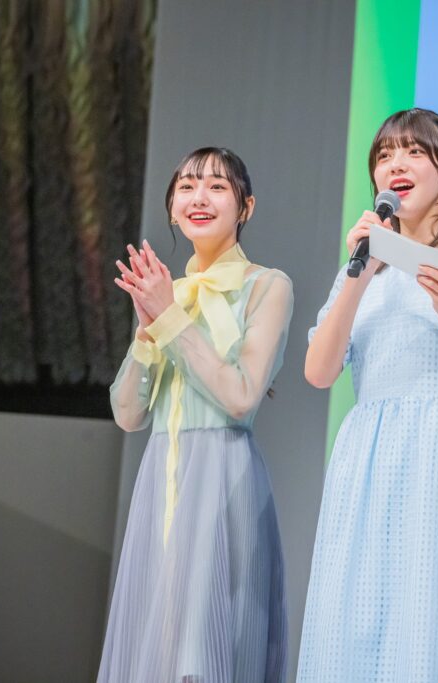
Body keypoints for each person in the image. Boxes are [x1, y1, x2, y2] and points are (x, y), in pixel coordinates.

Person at [298, 108, 438, 682]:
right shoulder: (360, 266)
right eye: (384, 155)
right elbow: (319, 372)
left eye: (414, 152)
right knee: (354, 619)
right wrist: (360, 272)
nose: (395, 164)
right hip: (364, 457)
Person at [100, 147, 291, 682]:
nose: (198, 197)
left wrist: (169, 317)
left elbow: (241, 395)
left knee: (210, 653)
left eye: (217, 186)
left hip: (222, 478)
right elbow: (128, 414)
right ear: (171, 208)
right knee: (155, 649)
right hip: (161, 481)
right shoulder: (169, 293)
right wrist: (148, 330)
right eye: (186, 186)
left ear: (246, 207)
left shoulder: (267, 285)